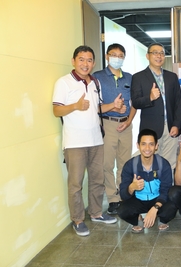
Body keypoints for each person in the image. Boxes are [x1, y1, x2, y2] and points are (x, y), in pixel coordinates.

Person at [52, 45, 118, 237]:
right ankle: (78, 220)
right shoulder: (64, 82)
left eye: (89, 60)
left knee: (98, 179)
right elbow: (56, 110)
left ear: (94, 63)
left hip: (96, 140)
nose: (85, 63)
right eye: (81, 59)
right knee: (76, 183)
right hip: (75, 143)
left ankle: (96, 213)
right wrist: (75, 106)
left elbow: (97, 109)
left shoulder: (95, 82)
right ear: (73, 61)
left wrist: (113, 105)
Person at [92, 43, 137, 215]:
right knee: (107, 164)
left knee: (125, 164)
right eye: (114, 55)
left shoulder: (129, 78)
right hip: (108, 124)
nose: (117, 58)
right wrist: (112, 107)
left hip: (126, 124)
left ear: (124, 58)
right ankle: (112, 198)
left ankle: (123, 194)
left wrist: (129, 120)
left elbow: (135, 104)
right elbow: (94, 107)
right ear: (107, 56)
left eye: (120, 55)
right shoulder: (97, 77)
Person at [131, 43, 181, 170]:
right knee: (151, 164)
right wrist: (150, 98)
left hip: (170, 127)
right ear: (147, 56)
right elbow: (136, 102)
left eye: (162, 53)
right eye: (155, 53)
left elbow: (178, 102)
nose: (159, 56)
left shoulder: (172, 77)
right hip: (150, 128)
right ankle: (152, 189)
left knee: (170, 164)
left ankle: (167, 189)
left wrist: (176, 124)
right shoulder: (138, 77)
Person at [117, 129, 177, 233]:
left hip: (157, 199)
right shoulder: (130, 165)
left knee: (171, 208)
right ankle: (137, 218)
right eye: (143, 144)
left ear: (156, 146)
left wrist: (155, 208)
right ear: (138, 145)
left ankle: (161, 219)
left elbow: (165, 190)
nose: (147, 148)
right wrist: (131, 187)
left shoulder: (163, 164)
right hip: (138, 200)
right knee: (122, 210)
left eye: (151, 144)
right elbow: (123, 195)